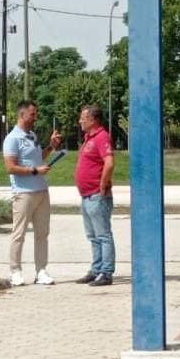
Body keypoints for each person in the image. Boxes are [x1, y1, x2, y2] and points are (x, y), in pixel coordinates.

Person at [3, 100, 62, 286]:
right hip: (23, 193)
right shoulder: (13, 139)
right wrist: (35, 171)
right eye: (32, 114)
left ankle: (41, 270)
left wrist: (51, 147)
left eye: (36, 114)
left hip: (41, 191)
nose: (35, 117)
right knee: (18, 233)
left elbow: (37, 158)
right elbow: (10, 167)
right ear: (21, 115)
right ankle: (15, 271)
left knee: (42, 234)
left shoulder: (32, 136)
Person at [73, 105, 116, 286]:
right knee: (93, 236)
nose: (80, 121)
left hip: (97, 196)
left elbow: (109, 162)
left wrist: (103, 183)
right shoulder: (88, 138)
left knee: (103, 235)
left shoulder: (102, 137)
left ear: (92, 120)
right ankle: (96, 269)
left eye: (83, 118)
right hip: (86, 196)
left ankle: (106, 272)